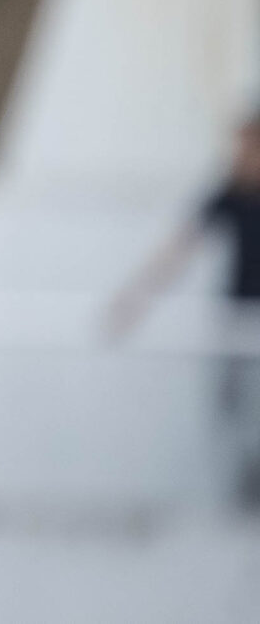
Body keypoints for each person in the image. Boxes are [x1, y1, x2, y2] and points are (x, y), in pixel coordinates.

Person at [106, 112, 260, 508]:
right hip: (237, 319)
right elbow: (179, 249)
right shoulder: (229, 193)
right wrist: (134, 298)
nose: (241, 154)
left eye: (249, 145)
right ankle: (244, 486)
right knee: (232, 408)